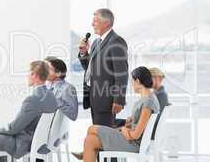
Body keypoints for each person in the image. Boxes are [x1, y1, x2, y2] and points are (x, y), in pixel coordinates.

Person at [0, 61, 58, 162]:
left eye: (29, 73)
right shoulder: (51, 96)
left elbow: (14, 128)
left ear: (35, 75)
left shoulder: (33, 99)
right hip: (39, 141)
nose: (27, 76)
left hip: (23, 142)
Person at [73, 9, 129, 162]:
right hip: (94, 97)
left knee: (107, 141)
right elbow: (92, 70)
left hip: (107, 100)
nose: (92, 24)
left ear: (106, 23)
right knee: (100, 140)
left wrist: (119, 99)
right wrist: (84, 53)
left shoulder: (117, 41)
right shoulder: (98, 42)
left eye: (95, 21)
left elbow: (121, 73)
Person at [82, 66, 160, 162]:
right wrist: (132, 120)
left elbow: (136, 135)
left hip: (133, 143)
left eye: (133, 81)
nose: (132, 84)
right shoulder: (149, 98)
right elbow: (141, 123)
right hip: (131, 138)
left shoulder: (148, 102)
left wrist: (124, 129)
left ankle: (84, 153)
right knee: (90, 140)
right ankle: (84, 153)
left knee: (91, 130)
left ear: (138, 81)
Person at [45, 56, 78, 121]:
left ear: (58, 73)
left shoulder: (68, 88)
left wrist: (55, 100)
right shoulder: (47, 86)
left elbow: (73, 114)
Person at [149, 67, 170, 139]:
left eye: (150, 78)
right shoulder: (156, 94)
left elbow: (155, 117)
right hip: (150, 129)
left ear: (159, 78)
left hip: (150, 131)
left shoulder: (161, 95)